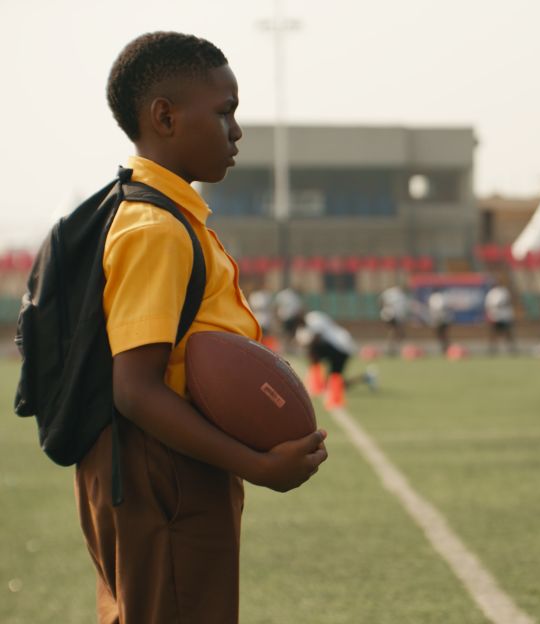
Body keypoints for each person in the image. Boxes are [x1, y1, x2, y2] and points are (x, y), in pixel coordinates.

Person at [83, 32, 328, 623]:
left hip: (164, 464)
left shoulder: (160, 213)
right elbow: (135, 388)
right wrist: (259, 466)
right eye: (224, 112)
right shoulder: (154, 229)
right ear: (164, 117)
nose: (236, 130)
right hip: (162, 471)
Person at [293, 310, 372, 408]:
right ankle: (364, 378)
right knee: (333, 380)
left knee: (334, 376)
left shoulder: (313, 318)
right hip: (338, 348)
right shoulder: (303, 328)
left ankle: (327, 391)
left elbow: (317, 337)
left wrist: (312, 356)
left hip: (341, 347)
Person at [484, 281, 517, 355]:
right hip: (495, 317)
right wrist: (489, 315)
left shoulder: (504, 292)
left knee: (508, 334)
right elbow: (488, 306)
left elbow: (508, 301)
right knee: (494, 335)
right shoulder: (491, 293)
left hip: (504, 316)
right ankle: (492, 351)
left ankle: (512, 350)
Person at [379, 284, 411, 357]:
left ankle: (392, 348)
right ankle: (391, 348)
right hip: (391, 315)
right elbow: (381, 300)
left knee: (398, 333)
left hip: (394, 316)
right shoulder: (392, 292)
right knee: (395, 331)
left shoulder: (401, 295)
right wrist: (383, 309)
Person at [426, 289, 453, 355]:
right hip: (444, 319)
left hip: (440, 320)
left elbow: (437, 309)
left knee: (441, 335)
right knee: (443, 335)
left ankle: (446, 349)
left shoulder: (434, 298)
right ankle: (446, 349)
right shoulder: (442, 297)